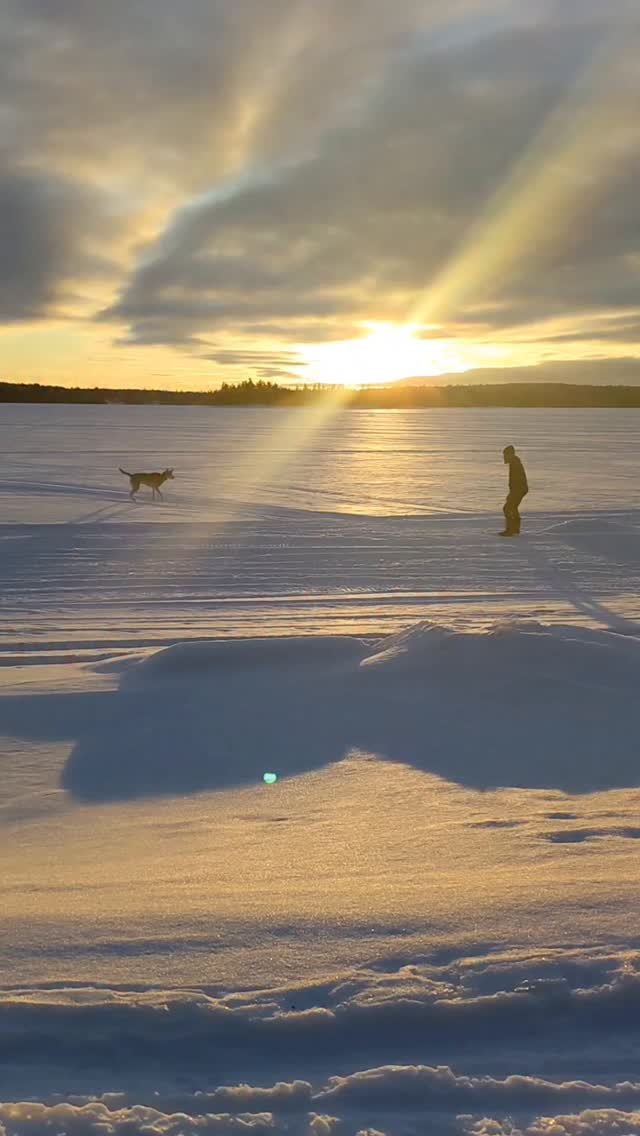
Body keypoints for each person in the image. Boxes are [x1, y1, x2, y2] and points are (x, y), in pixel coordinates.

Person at [500, 445, 528, 536]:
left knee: (507, 508)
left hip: (519, 489)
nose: (504, 457)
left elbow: (518, 480)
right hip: (519, 489)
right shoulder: (514, 462)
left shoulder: (515, 464)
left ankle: (510, 530)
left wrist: (513, 493)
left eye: (505, 455)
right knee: (513, 508)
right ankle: (515, 529)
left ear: (510, 455)